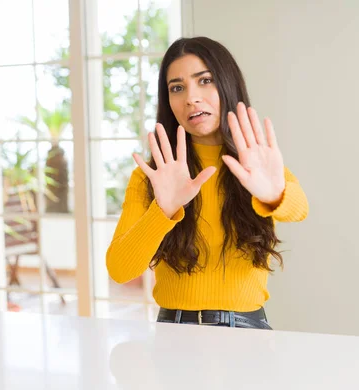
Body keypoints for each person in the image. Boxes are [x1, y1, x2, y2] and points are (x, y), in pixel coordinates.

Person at [106, 37, 308, 330]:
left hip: (247, 330)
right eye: (177, 87)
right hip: (173, 332)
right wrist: (163, 211)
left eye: (205, 81)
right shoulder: (153, 175)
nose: (191, 97)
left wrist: (274, 194)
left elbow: (300, 209)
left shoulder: (254, 164)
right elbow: (120, 269)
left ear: (228, 84)